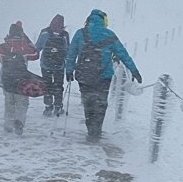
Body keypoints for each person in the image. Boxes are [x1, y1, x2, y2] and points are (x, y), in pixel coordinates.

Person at [65, 9, 141, 142]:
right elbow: (123, 54)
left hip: (84, 75)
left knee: (88, 103)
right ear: (104, 21)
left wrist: (69, 71)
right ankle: (97, 130)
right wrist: (134, 71)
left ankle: (90, 129)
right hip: (103, 77)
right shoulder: (109, 34)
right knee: (100, 104)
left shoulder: (80, 33)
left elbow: (71, 54)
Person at [0, 21, 39, 135]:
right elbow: (36, 54)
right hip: (22, 81)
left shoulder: (2, 47)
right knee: (22, 103)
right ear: (21, 34)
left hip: (6, 81)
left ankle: (8, 125)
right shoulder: (25, 48)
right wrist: (26, 39)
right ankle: (19, 122)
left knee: (9, 102)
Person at [35, 14, 69, 117]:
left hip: (46, 65)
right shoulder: (64, 34)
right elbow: (68, 49)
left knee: (47, 85)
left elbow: (38, 47)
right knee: (58, 86)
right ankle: (58, 107)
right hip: (59, 66)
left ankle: (48, 107)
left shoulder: (44, 32)